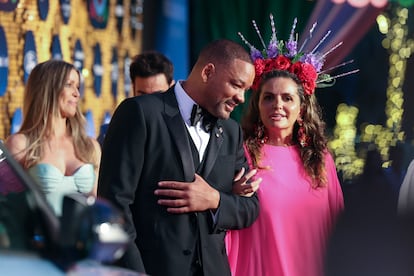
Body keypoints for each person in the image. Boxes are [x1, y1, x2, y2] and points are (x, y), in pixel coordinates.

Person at [98, 39, 260, 276]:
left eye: (245, 90)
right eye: (236, 85)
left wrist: (215, 199)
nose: (241, 98)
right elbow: (114, 206)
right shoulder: (141, 113)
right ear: (208, 72)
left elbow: (250, 208)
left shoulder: (232, 132)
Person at [226, 15, 344, 276]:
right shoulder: (241, 154)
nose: (277, 105)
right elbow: (226, 220)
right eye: (268, 97)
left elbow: (340, 230)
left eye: (287, 98)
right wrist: (231, 194)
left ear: (301, 109)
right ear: (257, 105)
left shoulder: (322, 160)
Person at [5, 60, 101, 216]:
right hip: (38, 238)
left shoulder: (90, 146)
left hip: (82, 239)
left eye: (77, 87)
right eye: (69, 85)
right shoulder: (20, 144)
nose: (76, 94)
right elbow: (8, 210)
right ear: (48, 89)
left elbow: (97, 205)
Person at [97, 51, 175, 146]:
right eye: (142, 96)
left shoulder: (185, 134)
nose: (149, 104)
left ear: (171, 88)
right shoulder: (111, 134)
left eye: (156, 96)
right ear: (133, 89)